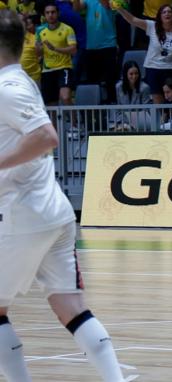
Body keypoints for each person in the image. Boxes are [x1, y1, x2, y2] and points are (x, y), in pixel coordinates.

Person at [0, 9, 125, 382]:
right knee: (70, 306)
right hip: (52, 213)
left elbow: (45, 136)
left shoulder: (8, 88)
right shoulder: (18, 81)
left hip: (22, 212)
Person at [117, 4, 172, 104]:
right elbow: (132, 20)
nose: (167, 14)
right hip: (153, 69)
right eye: (164, 12)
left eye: (169, 12)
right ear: (160, 16)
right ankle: (161, 120)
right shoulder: (152, 26)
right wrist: (119, 8)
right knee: (158, 104)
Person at [73, 0, 118, 103]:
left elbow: (107, 5)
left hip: (108, 45)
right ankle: (95, 112)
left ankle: (113, 108)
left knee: (110, 80)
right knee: (92, 81)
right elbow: (76, 9)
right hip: (91, 46)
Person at [35, 1, 76, 105]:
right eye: (47, 13)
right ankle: (53, 122)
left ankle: (74, 121)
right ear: (44, 15)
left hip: (64, 67)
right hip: (47, 70)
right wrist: (38, 49)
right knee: (50, 104)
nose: (50, 15)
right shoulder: (40, 31)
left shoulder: (68, 29)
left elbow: (73, 49)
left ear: (58, 13)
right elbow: (39, 54)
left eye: (53, 12)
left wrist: (55, 48)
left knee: (65, 97)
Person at [113, 60, 151, 130]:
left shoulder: (145, 88)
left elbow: (145, 110)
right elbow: (119, 109)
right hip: (123, 122)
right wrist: (122, 123)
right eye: (131, 74)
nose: (134, 76)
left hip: (140, 123)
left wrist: (132, 124)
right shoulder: (118, 87)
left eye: (136, 73)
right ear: (126, 74)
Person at [20, 14, 39, 85]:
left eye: (21, 21)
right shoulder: (9, 40)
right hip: (16, 79)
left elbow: (41, 57)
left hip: (33, 79)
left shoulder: (35, 38)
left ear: (26, 23)